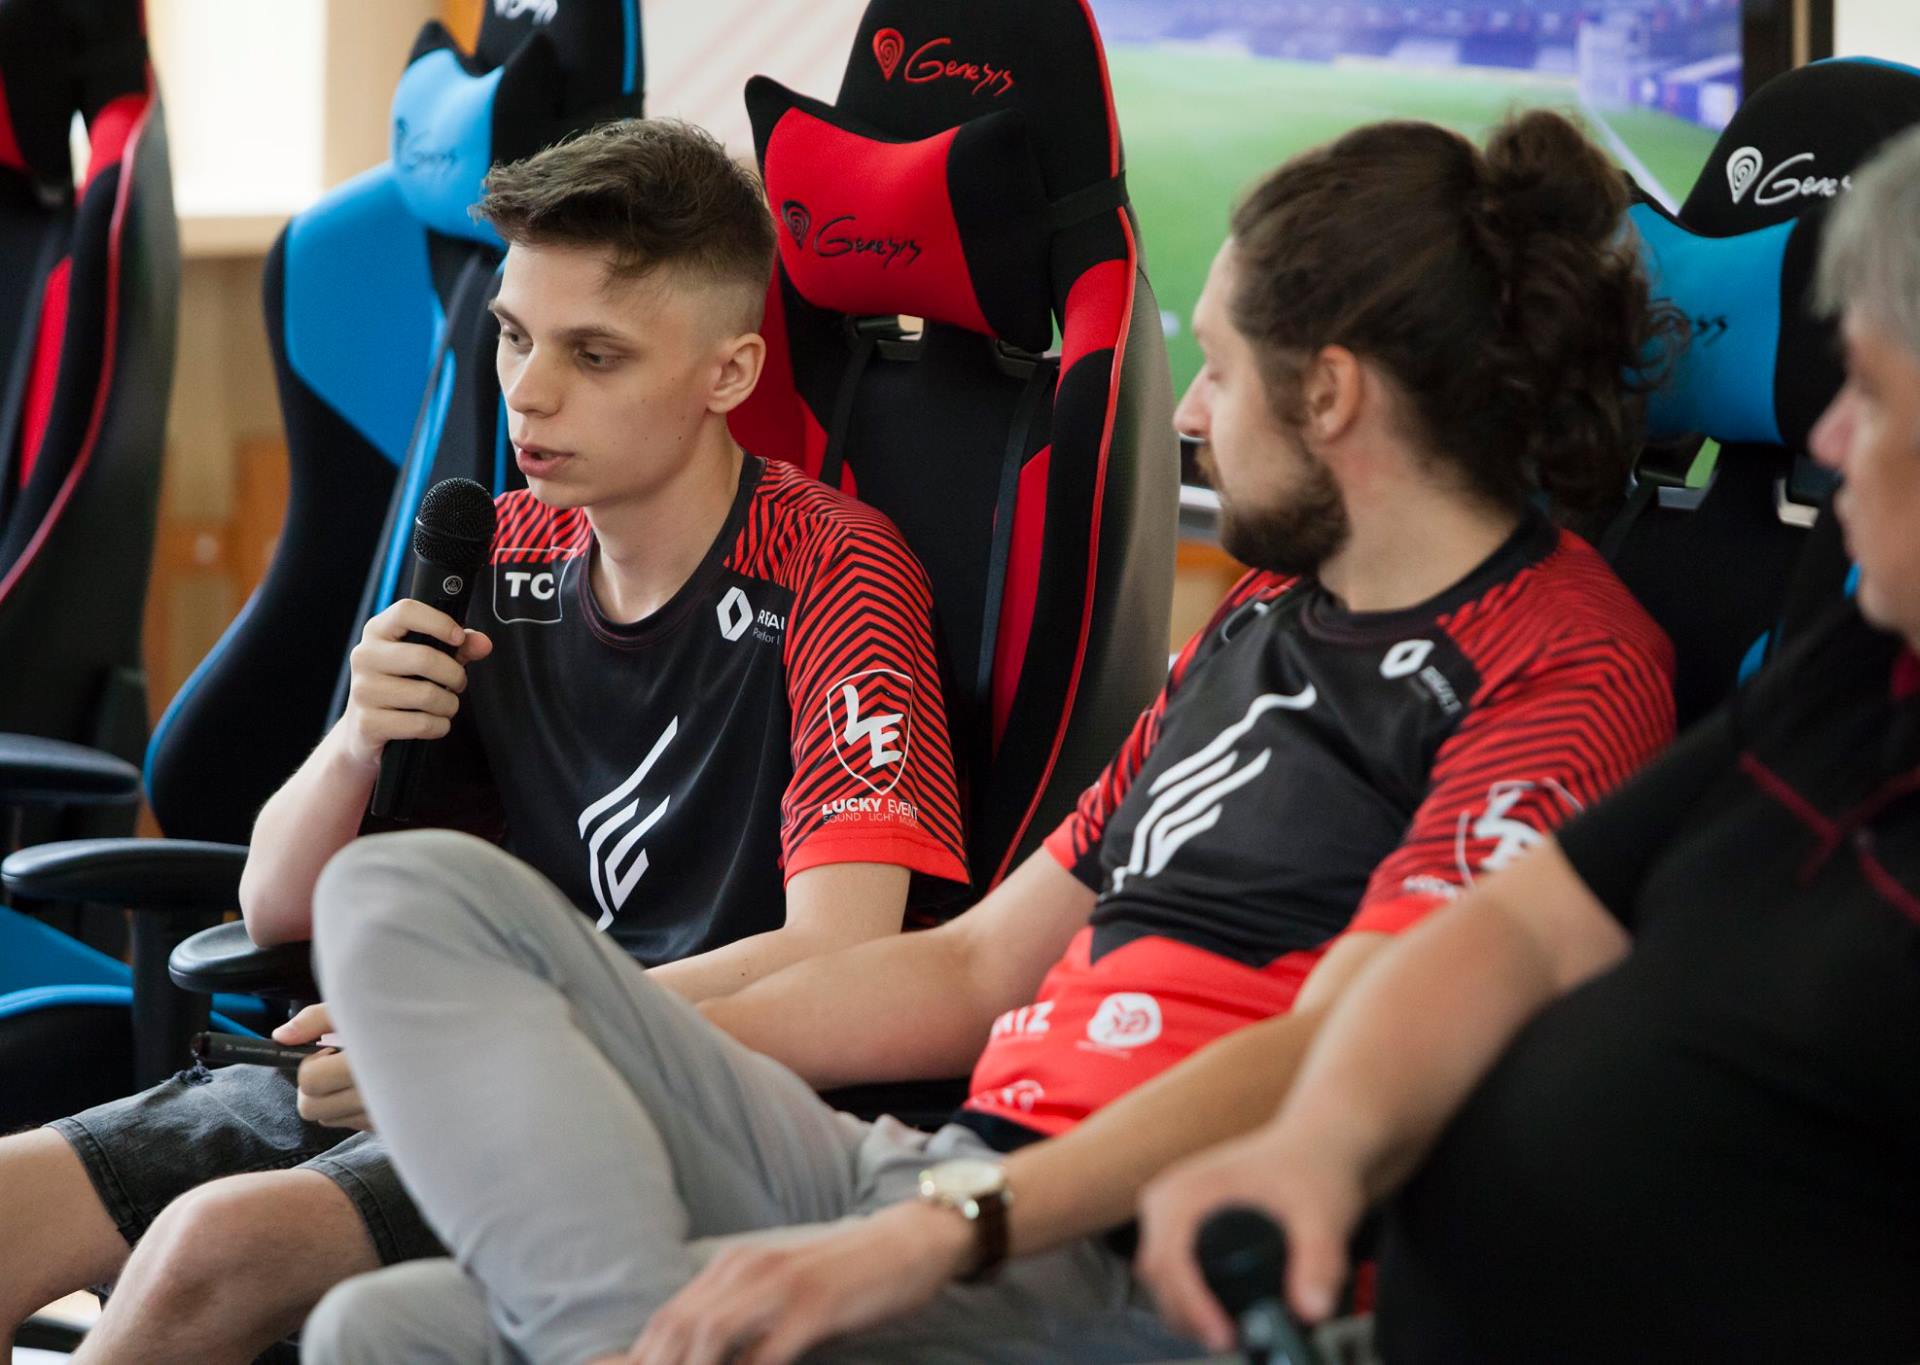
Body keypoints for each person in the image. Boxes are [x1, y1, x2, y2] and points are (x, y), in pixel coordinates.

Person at [296, 109, 1679, 1365]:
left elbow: (1344, 1055)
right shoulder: (1263, 621)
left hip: (1119, 1253)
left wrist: (948, 1229)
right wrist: (579, 1026)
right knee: (400, 905)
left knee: (389, 1333)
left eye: (1217, 368)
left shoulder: (1563, 664)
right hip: (955, 1170)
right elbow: (971, 967)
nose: (1190, 413)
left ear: (1330, 394)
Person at [0, 119, 968, 1364]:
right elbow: (274, 905)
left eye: (593, 354)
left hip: (660, 1104)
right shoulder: (501, 549)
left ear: (728, 374)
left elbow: (842, 948)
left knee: (212, 1248)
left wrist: (476, 1029)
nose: (528, 390)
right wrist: (358, 739)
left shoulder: (836, 573)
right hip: (451, 1048)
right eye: (514, 335)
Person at [1136, 116, 1920, 1365]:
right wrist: (1316, 1146)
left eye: (1870, 401)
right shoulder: (1872, 665)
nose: (1825, 443)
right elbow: (1525, 922)